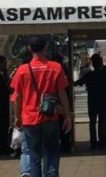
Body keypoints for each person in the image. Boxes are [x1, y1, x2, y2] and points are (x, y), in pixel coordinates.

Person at [11, 36, 72, 177]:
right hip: (50, 117)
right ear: (45, 48)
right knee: (51, 152)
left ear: (29, 49)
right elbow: (62, 93)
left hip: (29, 118)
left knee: (34, 156)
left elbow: (17, 97)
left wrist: (17, 117)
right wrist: (67, 115)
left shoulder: (22, 70)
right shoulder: (55, 68)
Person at [74, 54, 106, 150]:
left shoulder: (89, 75)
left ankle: (93, 142)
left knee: (92, 123)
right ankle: (102, 142)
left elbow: (78, 83)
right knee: (102, 122)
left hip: (92, 101)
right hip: (103, 101)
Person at [0, 56, 10, 154]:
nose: (6, 65)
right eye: (4, 63)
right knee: (2, 127)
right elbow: (4, 91)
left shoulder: (3, 75)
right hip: (2, 107)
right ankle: (3, 147)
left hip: (3, 106)